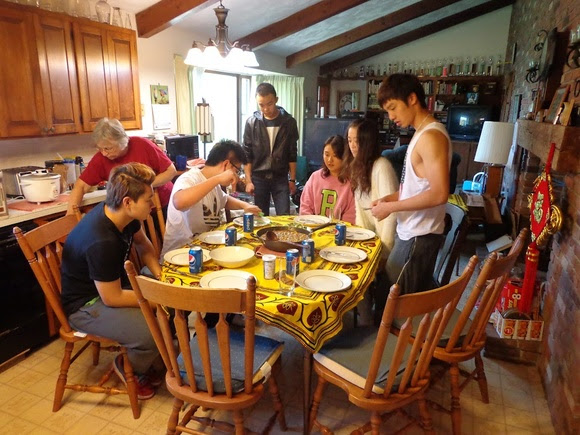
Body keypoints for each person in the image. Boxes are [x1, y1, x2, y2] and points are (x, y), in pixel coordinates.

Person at [60, 163, 163, 400]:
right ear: (128, 202)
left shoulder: (122, 215)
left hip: (112, 285)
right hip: (86, 305)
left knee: (165, 302)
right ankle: (129, 367)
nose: (153, 204)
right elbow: (112, 297)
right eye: (148, 199)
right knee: (151, 330)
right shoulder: (101, 241)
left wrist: (160, 279)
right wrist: (156, 299)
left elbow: (144, 246)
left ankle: (147, 357)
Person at [372, 73, 452, 295]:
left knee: (393, 304)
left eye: (393, 107)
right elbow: (416, 187)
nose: (391, 116)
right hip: (411, 232)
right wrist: (389, 199)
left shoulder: (431, 137)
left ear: (412, 99)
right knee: (387, 291)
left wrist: (390, 208)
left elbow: (439, 194)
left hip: (419, 237)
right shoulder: (421, 133)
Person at [161, 139, 261, 257]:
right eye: (237, 171)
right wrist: (217, 179)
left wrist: (245, 206)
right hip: (181, 253)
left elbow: (224, 200)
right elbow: (179, 202)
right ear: (226, 164)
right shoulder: (189, 178)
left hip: (206, 250)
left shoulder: (213, 184)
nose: (237, 177)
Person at [345, 118, 399, 325]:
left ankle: (369, 324)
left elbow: (391, 216)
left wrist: (384, 254)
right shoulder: (357, 166)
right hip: (373, 240)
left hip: (390, 244)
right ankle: (364, 320)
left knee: (361, 276)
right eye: (349, 140)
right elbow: (361, 212)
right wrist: (359, 243)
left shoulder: (381, 166)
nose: (352, 145)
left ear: (368, 141)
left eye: (357, 140)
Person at [66, 117, 176, 215]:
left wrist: (143, 187)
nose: (104, 153)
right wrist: (70, 216)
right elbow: (81, 186)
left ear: (122, 142)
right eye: (100, 148)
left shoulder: (143, 145)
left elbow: (171, 171)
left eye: (108, 148)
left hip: (163, 203)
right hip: (133, 211)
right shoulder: (101, 158)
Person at [243, 82, 299, 216]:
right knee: (260, 217)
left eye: (269, 103)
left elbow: (292, 153)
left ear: (276, 100)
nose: (266, 109)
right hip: (259, 177)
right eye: (261, 105)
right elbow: (247, 154)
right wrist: (248, 180)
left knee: (284, 216)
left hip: (280, 177)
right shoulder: (251, 123)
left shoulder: (289, 122)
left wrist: (292, 179)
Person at [299, 135, 355, 224]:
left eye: (335, 156)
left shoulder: (351, 182)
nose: (330, 160)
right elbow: (305, 206)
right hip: (313, 228)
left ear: (344, 157)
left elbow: (351, 215)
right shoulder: (315, 177)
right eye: (326, 154)